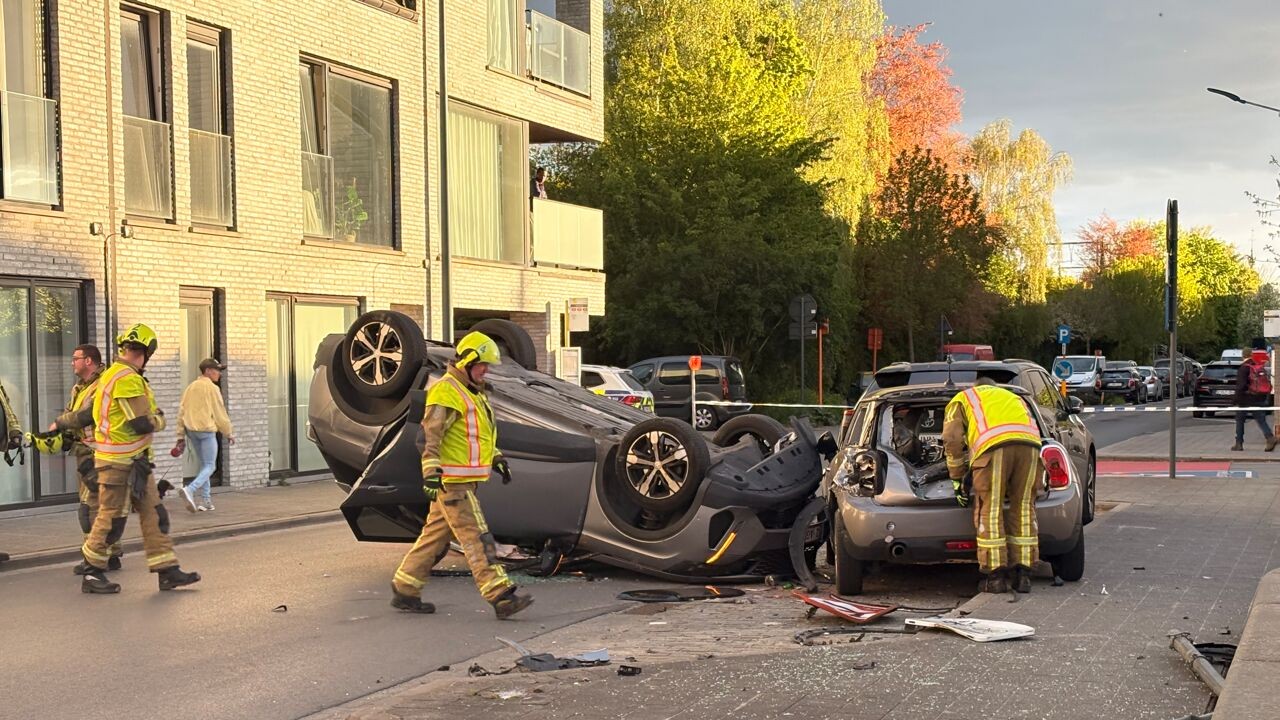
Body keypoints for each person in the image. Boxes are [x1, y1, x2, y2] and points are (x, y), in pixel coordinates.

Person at [389, 331, 533, 619]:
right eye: (482, 365)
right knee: (477, 537)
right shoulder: (447, 391)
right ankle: (500, 595)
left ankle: (406, 586)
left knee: (434, 537)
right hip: (453, 484)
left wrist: (497, 458)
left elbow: (477, 436)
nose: (486, 370)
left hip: (462, 480)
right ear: (467, 361)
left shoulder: (472, 393)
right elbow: (430, 437)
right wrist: (431, 472)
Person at [71, 324, 200, 594]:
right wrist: (161, 419)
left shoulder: (114, 374)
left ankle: (167, 571)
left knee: (154, 514)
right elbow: (140, 423)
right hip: (118, 462)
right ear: (147, 352)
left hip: (134, 460)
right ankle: (92, 573)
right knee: (110, 517)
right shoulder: (125, 377)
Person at [942, 378, 1043, 594]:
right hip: (1031, 447)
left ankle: (995, 577)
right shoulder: (1012, 396)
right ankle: (1024, 573)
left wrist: (957, 477)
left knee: (990, 507)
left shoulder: (963, 398)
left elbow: (952, 439)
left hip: (993, 448)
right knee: (1024, 506)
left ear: (975, 387)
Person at [33, 344, 125, 575]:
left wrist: (62, 423)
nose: (71, 362)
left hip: (100, 453)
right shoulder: (79, 388)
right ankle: (109, 554)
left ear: (88, 361)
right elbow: (72, 413)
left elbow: (88, 415)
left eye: (75, 358)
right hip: (84, 452)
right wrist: (60, 437)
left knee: (89, 509)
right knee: (100, 507)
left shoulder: (103, 385)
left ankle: (95, 557)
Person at [173, 358, 234, 512]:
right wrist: (228, 432)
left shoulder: (190, 387)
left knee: (204, 464)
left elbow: (181, 411)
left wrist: (180, 435)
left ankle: (206, 501)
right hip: (206, 431)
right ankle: (190, 489)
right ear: (207, 371)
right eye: (217, 370)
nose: (219, 373)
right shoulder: (212, 388)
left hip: (191, 431)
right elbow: (219, 412)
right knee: (210, 465)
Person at [1233, 339, 1277, 452]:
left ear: (1243, 356)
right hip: (1259, 396)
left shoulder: (1243, 368)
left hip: (1245, 399)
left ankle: (1239, 443)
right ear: (1251, 355)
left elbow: (1241, 386)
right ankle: (1270, 437)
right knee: (1261, 419)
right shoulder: (1256, 365)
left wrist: (1235, 399)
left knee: (1240, 419)